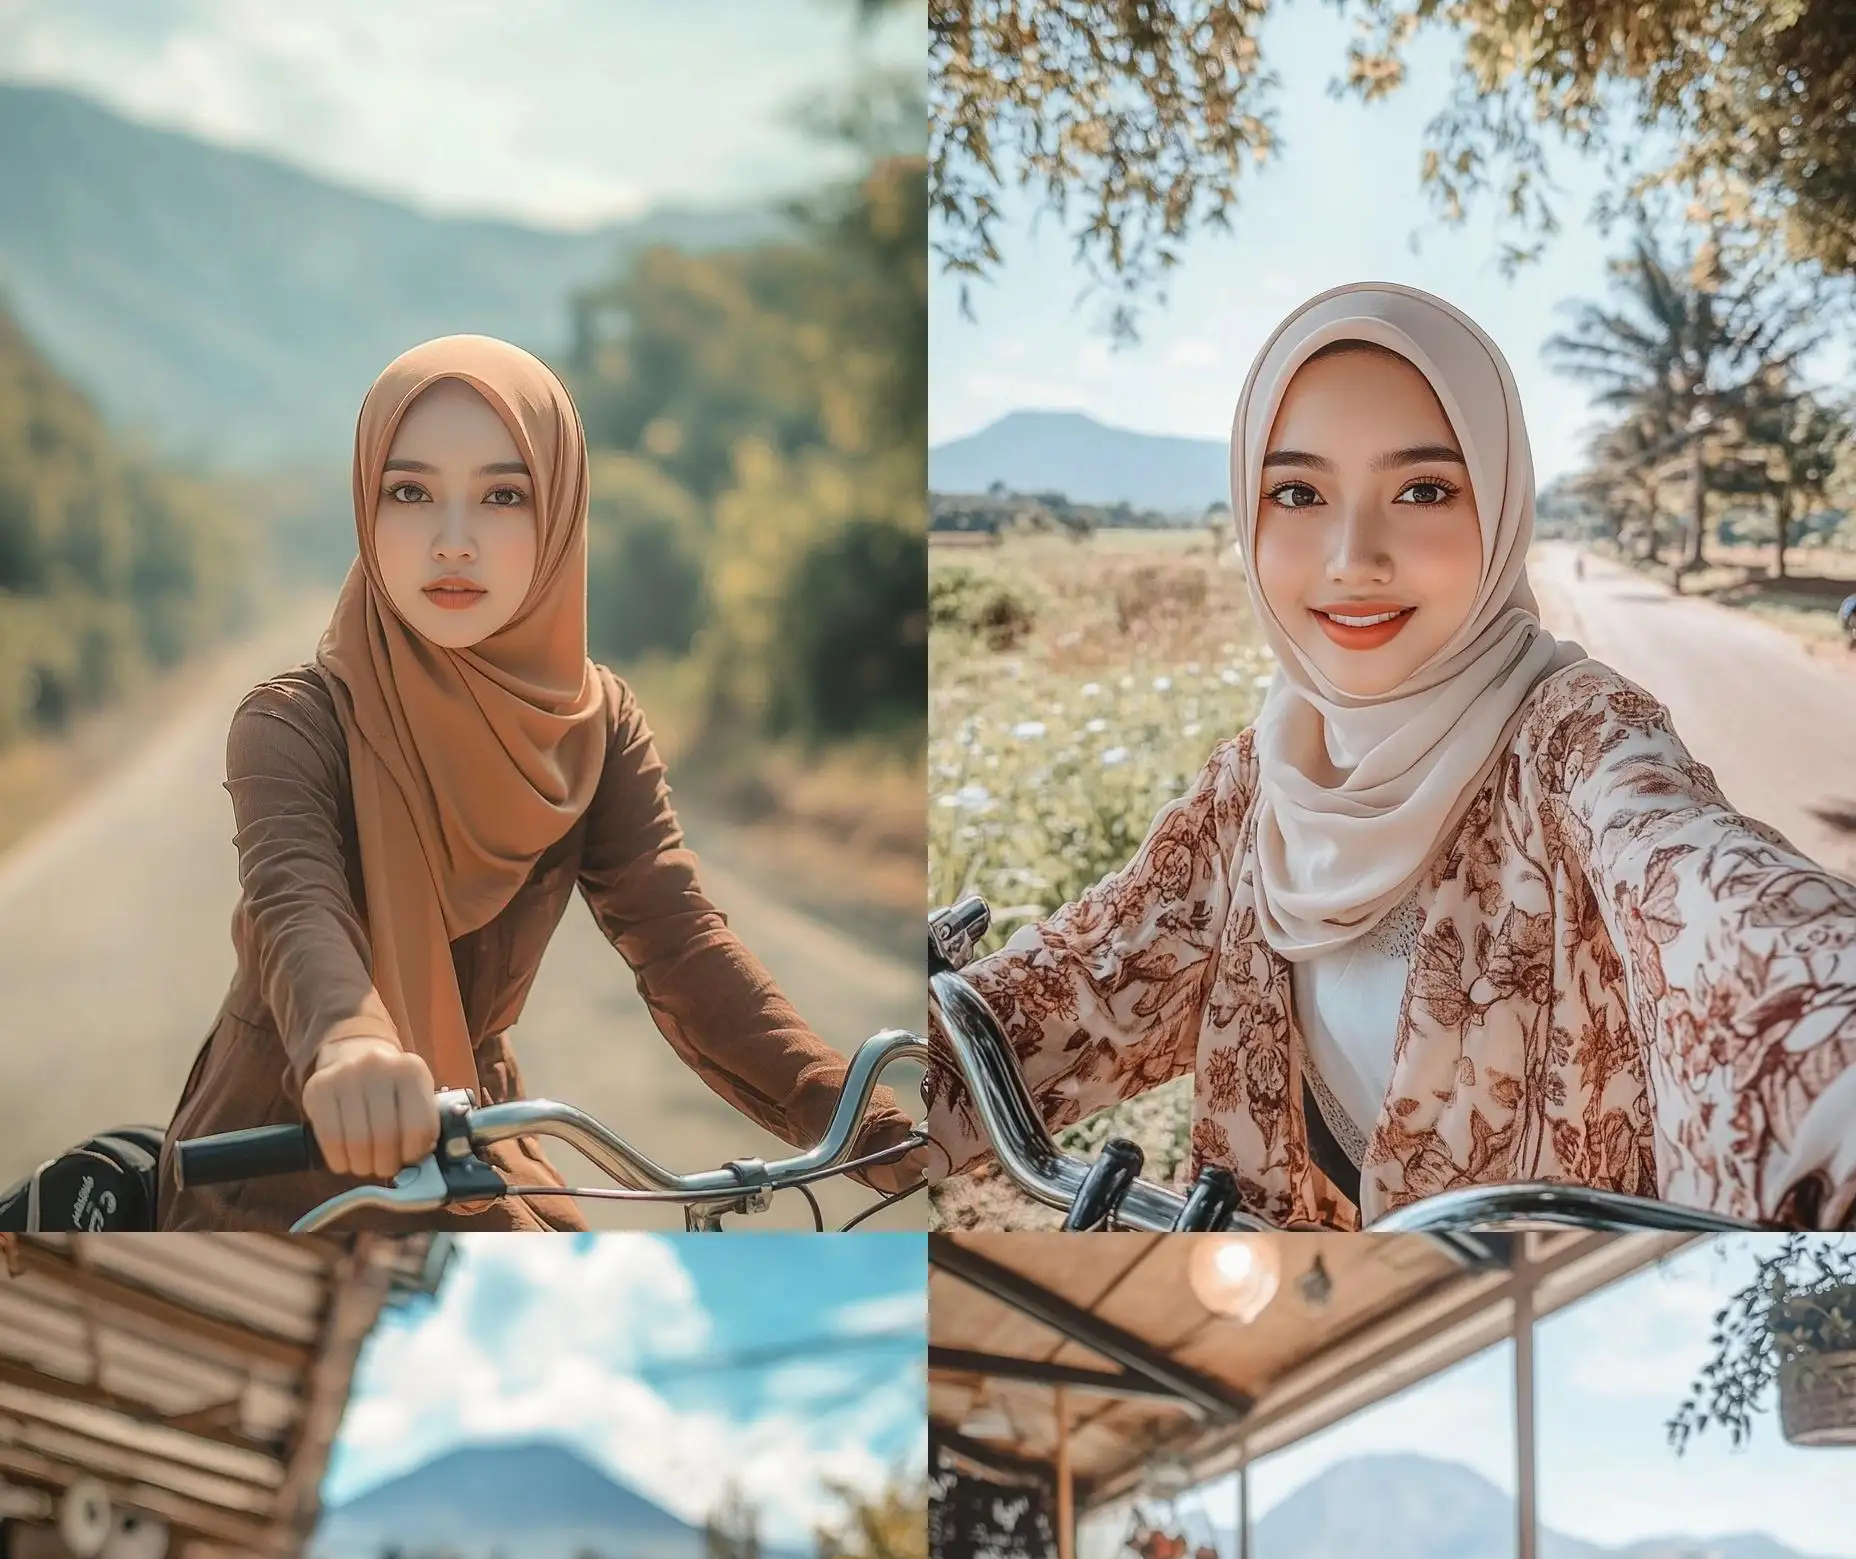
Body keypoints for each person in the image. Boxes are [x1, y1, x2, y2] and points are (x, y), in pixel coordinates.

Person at [925, 283, 1856, 1228]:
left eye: (1423, 491)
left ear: (1499, 508)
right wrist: (854, 1074)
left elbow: (1713, 902)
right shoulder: (1254, 789)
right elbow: (1088, 980)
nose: (1352, 556)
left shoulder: (1574, 740)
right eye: (1297, 493)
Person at [159, 335, 919, 1231]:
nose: (452, 542)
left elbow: (679, 941)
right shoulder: (292, 721)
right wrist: (351, 1047)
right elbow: (298, 907)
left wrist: (858, 1118)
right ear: (367, 505)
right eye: (410, 493)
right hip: (285, 1152)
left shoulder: (598, 727)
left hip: (475, 1129)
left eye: (503, 496)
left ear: (558, 512)